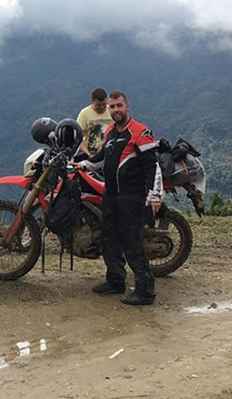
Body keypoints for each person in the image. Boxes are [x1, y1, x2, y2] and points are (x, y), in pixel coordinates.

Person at [77, 90, 163, 306]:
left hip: (131, 197)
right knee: (109, 240)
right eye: (112, 106)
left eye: (119, 106)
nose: (115, 110)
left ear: (127, 107)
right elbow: (102, 158)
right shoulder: (111, 133)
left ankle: (145, 291)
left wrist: (154, 195)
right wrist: (84, 165)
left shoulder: (140, 132)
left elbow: (152, 166)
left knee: (132, 243)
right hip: (111, 194)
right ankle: (115, 281)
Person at [76, 88, 112, 157]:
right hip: (89, 155)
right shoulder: (84, 114)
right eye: (98, 105)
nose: (102, 107)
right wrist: (89, 155)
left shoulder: (112, 111)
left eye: (104, 104)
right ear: (92, 101)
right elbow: (79, 138)